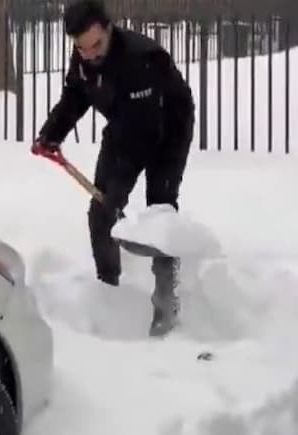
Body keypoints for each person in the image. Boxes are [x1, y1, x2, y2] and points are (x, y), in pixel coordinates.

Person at [31, 0, 195, 336]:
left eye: (95, 45)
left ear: (109, 29)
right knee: (100, 213)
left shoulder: (140, 59)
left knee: (159, 208)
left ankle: (166, 301)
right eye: (81, 47)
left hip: (168, 125)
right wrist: (51, 134)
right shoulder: (83, 59)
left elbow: (145, 134)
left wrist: (118, 188)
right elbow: (75, 97)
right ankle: (108, 289)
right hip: (125, 123)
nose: (89, 54)